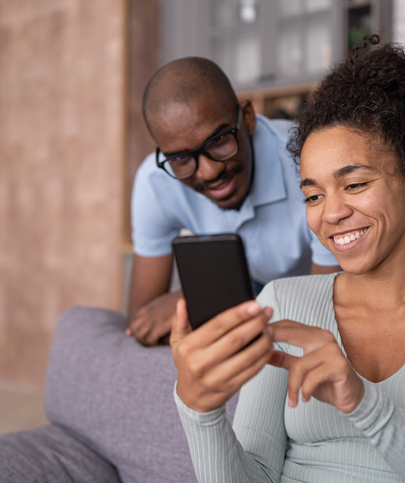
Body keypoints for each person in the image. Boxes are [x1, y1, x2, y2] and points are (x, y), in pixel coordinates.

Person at [170, 38, 405, 482]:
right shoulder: (284, 303)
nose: (330, 213)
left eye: (354, 184)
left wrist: (365, 404)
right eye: (313, 195)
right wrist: (199, 411)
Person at [128, 57, 340, 346]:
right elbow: (144, 319)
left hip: (310, 289)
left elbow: (323, 312)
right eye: (180, 158)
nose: (209, 171)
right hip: (248, 291)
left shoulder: (308, 162)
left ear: (247, 117)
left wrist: (207, 300)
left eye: (219, 141)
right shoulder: (156, 180)